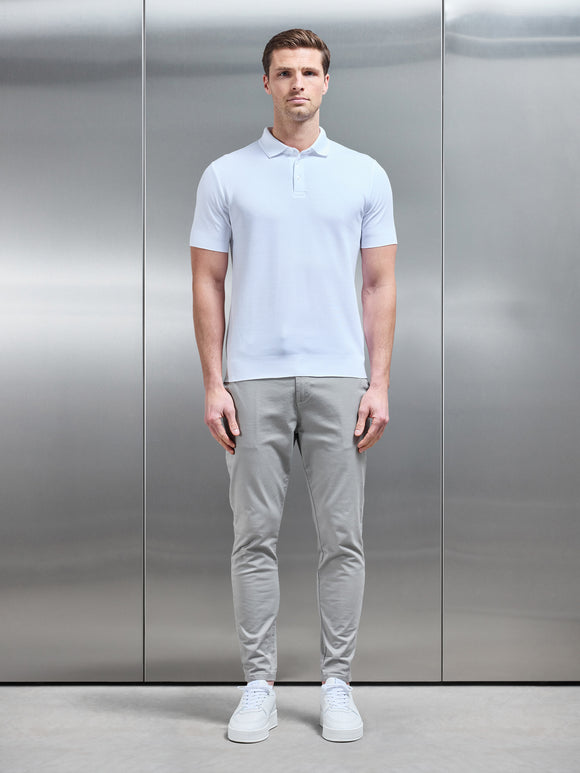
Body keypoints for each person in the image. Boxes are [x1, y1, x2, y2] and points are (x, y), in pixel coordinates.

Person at [189, 28, 397, 744]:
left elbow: (379, 283)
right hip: (252, 378)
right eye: (285, 73)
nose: (298, 84)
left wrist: (378, 382)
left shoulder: (365, 174)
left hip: (341, 377)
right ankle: (259, 686)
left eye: (309, 72)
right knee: (253, 538)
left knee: (344, 537)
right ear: (267, 83)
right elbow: (207, 282)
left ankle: (337, 683)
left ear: (326, 82)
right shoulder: (226, 175)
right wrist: (214, 383)